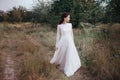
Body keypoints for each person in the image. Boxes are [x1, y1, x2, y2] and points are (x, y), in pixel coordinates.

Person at [50, 12, 81, 77]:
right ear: (65, 18)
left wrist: (73, 42)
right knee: (62, 53)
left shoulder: (70, 24)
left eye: (69, 17)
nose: (69, 18)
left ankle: (69, 67)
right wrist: (57, 45)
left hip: (70, 41)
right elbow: (58, 36)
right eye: (68, 17)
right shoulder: (59, 26)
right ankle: (61, 64)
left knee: (69, 53)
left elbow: (71, 34)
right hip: (62, 41)